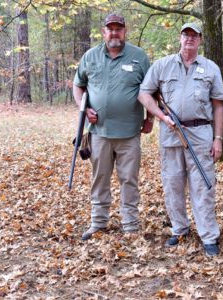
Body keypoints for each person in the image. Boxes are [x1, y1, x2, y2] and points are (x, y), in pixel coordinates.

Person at [138, 23, 223, 257]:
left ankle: (208, 236)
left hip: (201, 134)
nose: (189, 39)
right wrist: (161, 116)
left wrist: (218, 139)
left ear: (200, 40)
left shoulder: (210, 68)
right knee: (172, 183)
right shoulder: (162, 65)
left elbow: (218, 106)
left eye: (194, 35)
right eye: (186, 34)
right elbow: (144, 94)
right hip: (170, 133)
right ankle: (180, 229)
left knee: (203, 186)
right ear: (180, 38)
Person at [73, 13, 152, 240]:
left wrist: (150, 119)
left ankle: (130, 225)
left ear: (125, 31)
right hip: (99, 133)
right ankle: (98, 222)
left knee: (129, 179)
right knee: (100, 178)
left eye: (119, 28)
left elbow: (151, 90)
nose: (115, 32)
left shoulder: (139, 57)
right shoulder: (90, 57)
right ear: (103, 32)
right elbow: (78, 87)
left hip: (129, 134)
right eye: (111, 29)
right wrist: (83, 109)